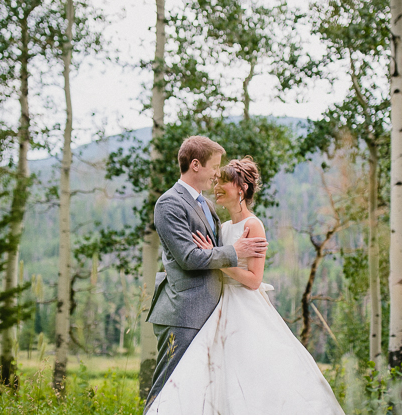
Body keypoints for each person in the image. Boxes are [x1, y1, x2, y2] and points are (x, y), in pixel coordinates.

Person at [146, 155, 346, 415]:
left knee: (251, 374)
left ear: (241, 189)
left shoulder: (253, 225)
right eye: (216, 182)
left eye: (224, 183)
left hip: (244, 306)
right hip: (217, 307)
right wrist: (219, 254)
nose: (216, 188)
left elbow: (254, 280)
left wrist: (222, 261)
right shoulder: (223, 225)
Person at [145, 136, 269, 411]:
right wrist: (236, 251)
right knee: (167, 390)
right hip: (183, 313)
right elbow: (189, 258)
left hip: (212, 313)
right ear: (196, 165)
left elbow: (212, 252)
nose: (217, 173)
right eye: (214, 166)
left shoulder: (208, 206)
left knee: (198, 395)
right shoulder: (169, 204)